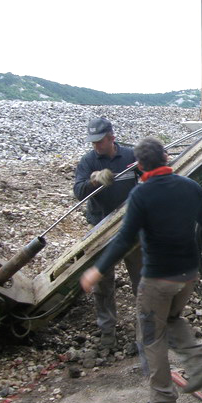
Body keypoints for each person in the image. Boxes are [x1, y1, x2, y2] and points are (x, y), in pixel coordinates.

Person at [80, 137, 202, 403]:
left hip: (158, 280)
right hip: (188, 276)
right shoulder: (190, 187)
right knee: (171, 319)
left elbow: (124, 240)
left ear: (140, 166)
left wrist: (98, 270)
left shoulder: (141, 194)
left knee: (151, 337)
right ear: (167, 157)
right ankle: (197, 360)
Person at [73, 117, 143, 348]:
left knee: (140, 279)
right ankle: (107, 333)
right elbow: (78, 191)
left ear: (112, 138)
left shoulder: (130, 156)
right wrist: (94, 181)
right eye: (92, 141)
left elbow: (148, 176)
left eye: (100, 141)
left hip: (130, 226)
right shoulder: (89, 160)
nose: (95, 146)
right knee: (103, 283)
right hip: (100, 227)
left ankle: (145, 333)